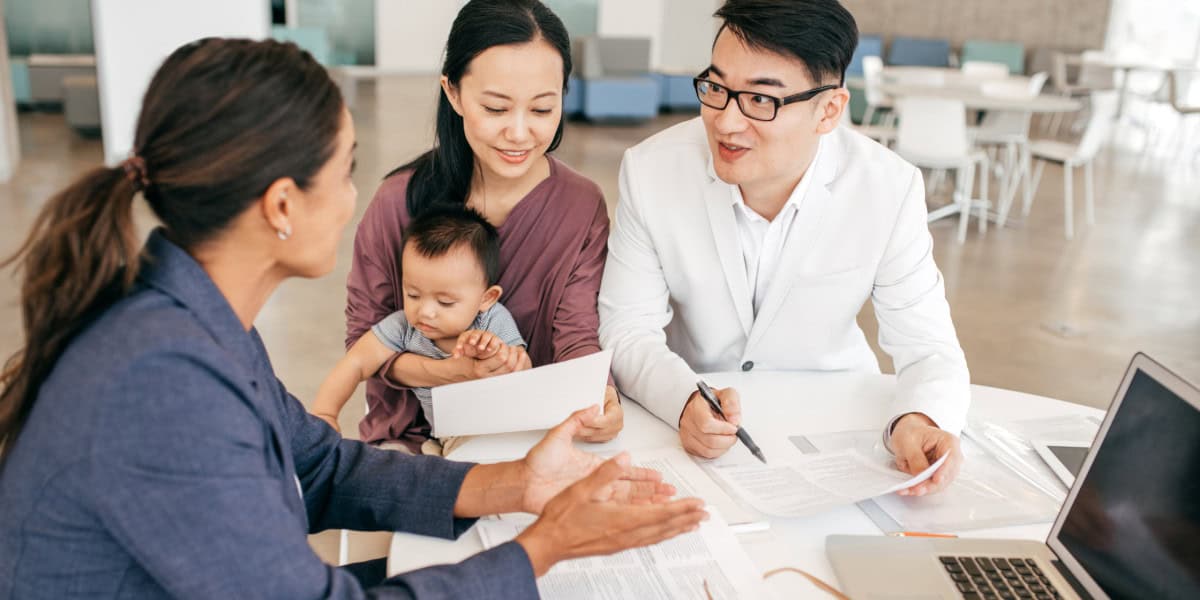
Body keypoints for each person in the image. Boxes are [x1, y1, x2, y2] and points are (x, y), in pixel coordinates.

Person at [0, 38, 707, 598]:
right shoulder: (161, 385)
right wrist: (545, 544)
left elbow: (319, 465)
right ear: (281, 206)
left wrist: (516, 483)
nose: (355, 199)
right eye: (345, 171)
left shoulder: (190, 320)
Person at [598, 0, 968, 496]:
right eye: (716, 88)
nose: (726, 122)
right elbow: (626, 328)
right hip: (704, 423)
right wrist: (684, 399)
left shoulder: (887, 188)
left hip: (838, 425)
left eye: (760, 100)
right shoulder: (651, 171)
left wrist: (919, 417)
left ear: (829, 110)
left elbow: (929, 346)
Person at [348, 0, 623, 453]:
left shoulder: (580, 204)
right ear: (453, 93)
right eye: (496, 108)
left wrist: (601, 393)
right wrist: (453, 374)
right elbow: (365, 338)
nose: (519, 133)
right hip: (413, 436)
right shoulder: (398, 202)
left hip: (532, 431)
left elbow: (575, 333)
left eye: (541, 110)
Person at [312, 207, 527, 446]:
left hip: (505, 430)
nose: (425, 311)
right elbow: (356, 362)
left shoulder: (490, 321)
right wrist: (325, 413)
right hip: (450, 438)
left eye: (445, 302)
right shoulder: (404, 326)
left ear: (486, 298)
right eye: (413, 295)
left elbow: (524, 369)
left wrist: (497, 354)